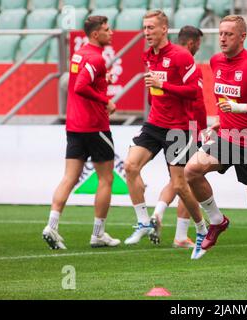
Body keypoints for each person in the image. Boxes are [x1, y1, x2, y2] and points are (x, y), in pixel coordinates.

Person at [185, 15, 247, 280]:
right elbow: (225, 99)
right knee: (192, 170)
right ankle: (217, 221)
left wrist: (240, 109)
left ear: (242, 37)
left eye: (229, 34)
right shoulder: (216, 61)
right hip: (228, 137)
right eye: (220, 33)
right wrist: (221, 120)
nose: (223, 38)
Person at [123, 11, 208, 260]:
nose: (147, 32)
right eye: (144, 28)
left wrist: (164, 86)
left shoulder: (181, 56)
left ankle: (202, 230)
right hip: (154, 123)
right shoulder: (148, 55)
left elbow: (194, 92)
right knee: (130, 166)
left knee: (181, 185)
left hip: (178, 128)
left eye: (151, 27)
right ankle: (143, 222)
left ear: (164, 29)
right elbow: (153, 92)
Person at [42, 16, 120, 249]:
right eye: (107, 29)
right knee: (106, 178)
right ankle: (98, 234)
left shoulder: (79, 54)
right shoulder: (95, 58)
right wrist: (105, 100)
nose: (111, 33)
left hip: (74, 125)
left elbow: (77, 85)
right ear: (96, 34)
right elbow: (81, 86)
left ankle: (52, 226)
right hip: (95, 126)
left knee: (69, 177)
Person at [147, 25, 208, 249]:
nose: (199, 48)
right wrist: (202, 129)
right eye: (199, 44)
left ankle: (158, 213)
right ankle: (181, 235)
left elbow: (150, 97)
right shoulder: (190, 65)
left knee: (177, 180)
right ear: (192, 43)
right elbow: (198, 101)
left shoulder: (157, 60)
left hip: (161, 124)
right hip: (186, 127)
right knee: (186, 181)